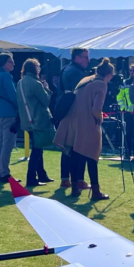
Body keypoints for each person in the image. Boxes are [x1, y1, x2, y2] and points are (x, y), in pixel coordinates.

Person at [54, 58, 112, 200]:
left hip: (72, 121)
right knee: (92, 157)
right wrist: (100, 119)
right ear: (109, 75)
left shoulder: (85, 80)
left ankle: (75, 188)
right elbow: (96, 109)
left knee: (75, 155)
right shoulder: (101, 84)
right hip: (87, 123)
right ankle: (96, 191)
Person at [16, 58, 56, 189]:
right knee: (37, 150)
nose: (39, 69)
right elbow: (45, 101)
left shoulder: (20, 83)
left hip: (27, 120)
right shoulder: (36, 83)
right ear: (34, 69)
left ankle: (42, 174)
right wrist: (47, 89)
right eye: (38, 67)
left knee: (38, 147)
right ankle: (31, 178)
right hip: (38, 120)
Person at [58, 48, 91, 188]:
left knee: (67, 148)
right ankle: (78, 180)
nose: (88, 60)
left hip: (65, 113)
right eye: (85, 57)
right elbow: (81, 96)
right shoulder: (76, 73)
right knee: (79, 148)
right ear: (77, 58)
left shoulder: (66, 69)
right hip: (76, 114)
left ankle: (65, 179)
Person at [0, 52, 19, 183]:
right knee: (8, 144)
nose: (13, 64)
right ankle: (4, 173)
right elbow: (13, 95)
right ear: (3, 63)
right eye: (10, 61)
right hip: (9, 112)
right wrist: (21, 107)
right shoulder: (5, 75)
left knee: (0, 143)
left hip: (0, 112)